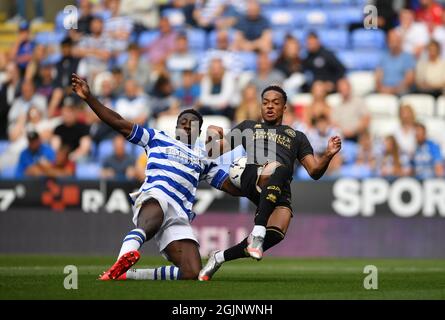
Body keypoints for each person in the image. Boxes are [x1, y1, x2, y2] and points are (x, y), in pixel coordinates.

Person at [71, 73, 241, 281]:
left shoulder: (203, 157)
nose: (187, 124)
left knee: (192, 272)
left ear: (198, 131)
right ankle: (123, 258)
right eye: (183, 121)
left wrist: (258, 186)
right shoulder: (157, 138)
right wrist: (90, 98)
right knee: (157, 206)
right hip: (156, 195)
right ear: (177, 125)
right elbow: (118, 122)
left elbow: (231, 186)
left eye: (192, 123)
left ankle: (130, 274)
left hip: (179, 213)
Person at [199, 85, 342, 280]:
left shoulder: (297, 137)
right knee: (279, 167)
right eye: (265, 103)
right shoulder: (249, 127)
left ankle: (219, 257)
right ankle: (257, 233)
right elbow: (213, 152)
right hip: (250, 174)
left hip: (278, 186)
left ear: (284, 108)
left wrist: (327, 155)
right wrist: (210, 136)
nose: (269, 106)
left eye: (275, 103)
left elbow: (315, 172)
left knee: (276, 233)